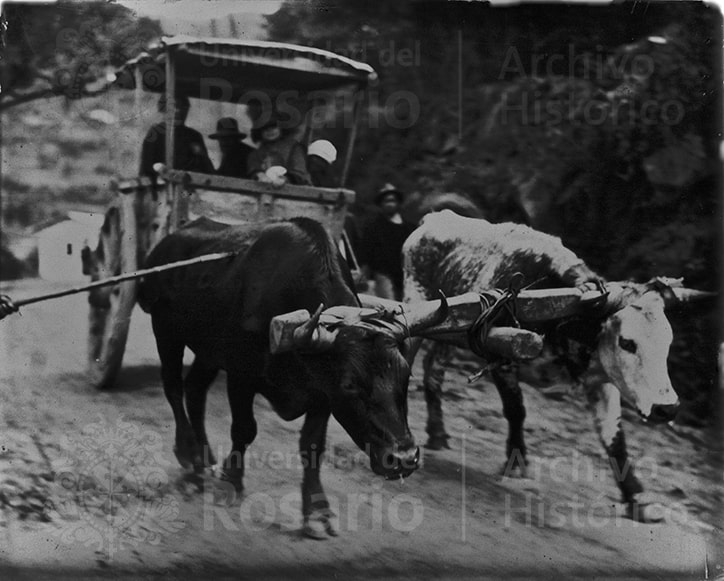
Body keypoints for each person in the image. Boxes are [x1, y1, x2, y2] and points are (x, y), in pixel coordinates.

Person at [359, 183, 416, 301]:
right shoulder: (373, 227)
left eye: (392, 200)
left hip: (405, 275)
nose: (390, 204)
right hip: (383, 274)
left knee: (408, 305)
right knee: (390, 306)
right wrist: (363, 274)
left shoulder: (409, 228)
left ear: (398, 203)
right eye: (386, 201)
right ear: (381, 204)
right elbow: (365, 253)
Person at [139, 93, 214, 179]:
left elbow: (207, 169)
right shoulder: (156, 133)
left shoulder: (194, 136)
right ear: (163, 109)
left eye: (184, 107)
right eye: (174, 106)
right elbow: (147, 167)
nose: (178, 111)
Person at [246, 116, 311, 186]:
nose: (270, 131)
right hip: (264, 187)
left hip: (295, 189)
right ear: (259, 132)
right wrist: (260, 175)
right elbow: (254, 168)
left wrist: (284, 179)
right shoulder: (256, 153)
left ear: (281, 128)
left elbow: (299, 170)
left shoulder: (294, 147)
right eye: (265, 129)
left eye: (273, 127)